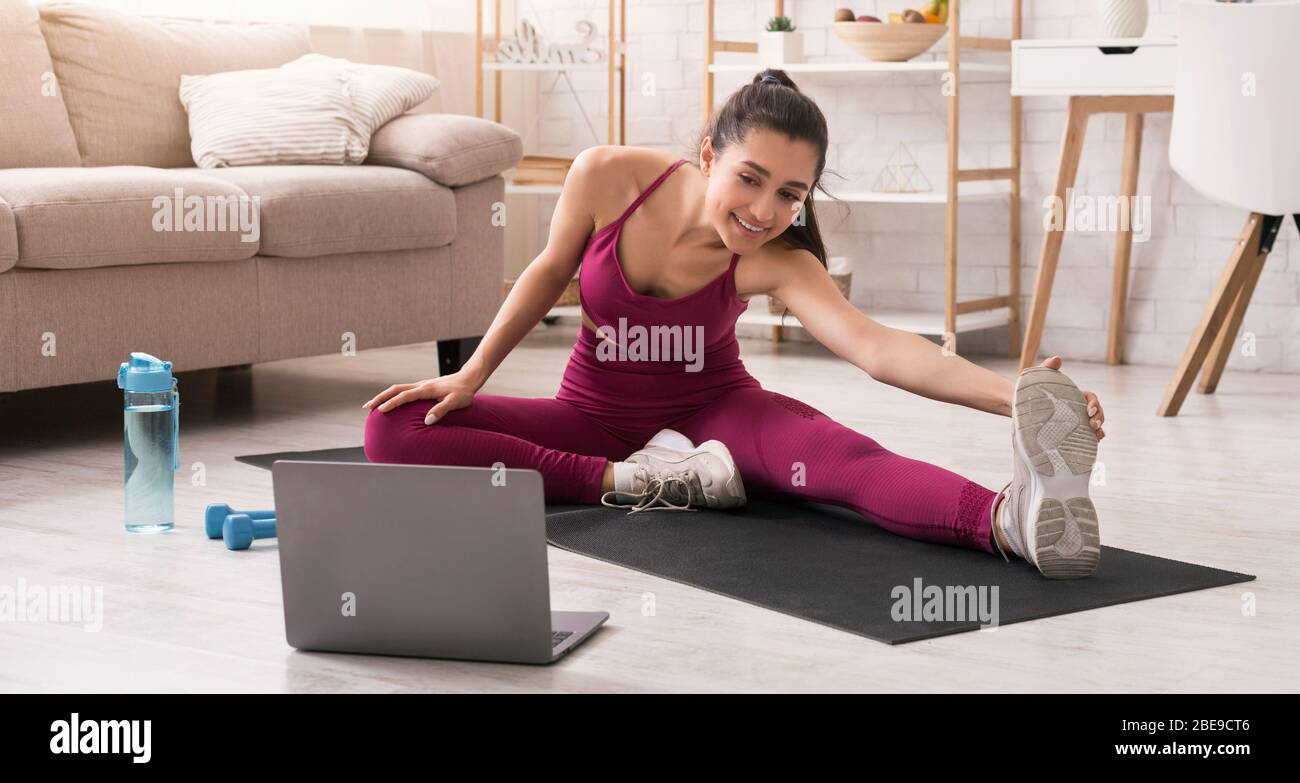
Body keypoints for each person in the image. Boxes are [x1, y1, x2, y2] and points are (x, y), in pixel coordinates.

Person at [362, 69, 1107, 579]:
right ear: (709, 153)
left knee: (847, 462)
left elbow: (877, 348)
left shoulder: (778, 258)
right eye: (749, 179)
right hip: (591, 418)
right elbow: (545, 273)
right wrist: (470, 374)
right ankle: (632, 481)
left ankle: (1013, 522)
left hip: (719, 417)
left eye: (790, 194)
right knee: (393, 427)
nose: (763, 211)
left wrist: (1016, 396)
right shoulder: (608, 176)